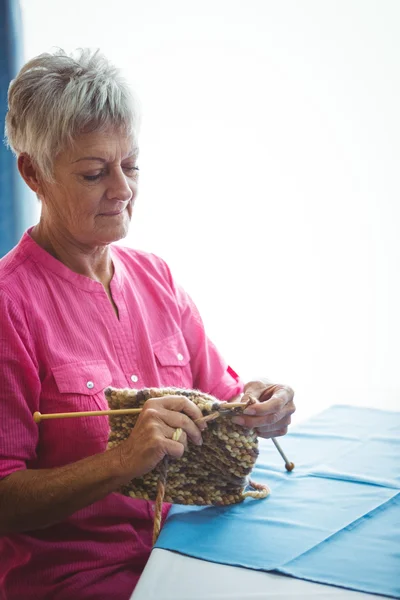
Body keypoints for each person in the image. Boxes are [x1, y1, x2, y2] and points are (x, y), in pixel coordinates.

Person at [0, 48, 295, 600]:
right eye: (94, 173)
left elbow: (224, 400)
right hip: (84, 581)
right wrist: (121, 462)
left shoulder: (156, 277)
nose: (123, 190)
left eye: (130, 165)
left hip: (190, 554)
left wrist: (261, 405)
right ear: (33, 172)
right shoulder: (8, 306)